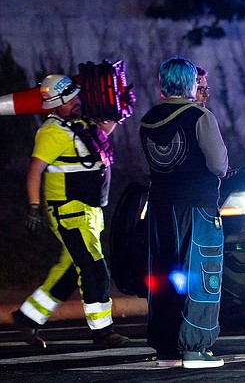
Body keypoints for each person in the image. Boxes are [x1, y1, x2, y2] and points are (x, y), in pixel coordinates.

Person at [12, 74, 130, 349]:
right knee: (94, 269)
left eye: (76, 96)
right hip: (70, 212)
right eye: (69, 99)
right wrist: (33, 208)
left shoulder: (78, 124)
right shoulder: (52, 132)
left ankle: (28, 318)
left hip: (88, 211)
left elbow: (101, 135)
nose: (76, 101)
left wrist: (120, 110)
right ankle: (102, 332)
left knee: (69, 271)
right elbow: (34, 170)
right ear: (54, 104)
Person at [139, 56, 228, 368]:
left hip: (161, 208)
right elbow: (219, 164)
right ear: (191, 82)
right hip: (198, 206)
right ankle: (195, 348)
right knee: (202, 275)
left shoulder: (148, 119)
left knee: (165, 276)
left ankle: (166, 348)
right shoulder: (199, 117)